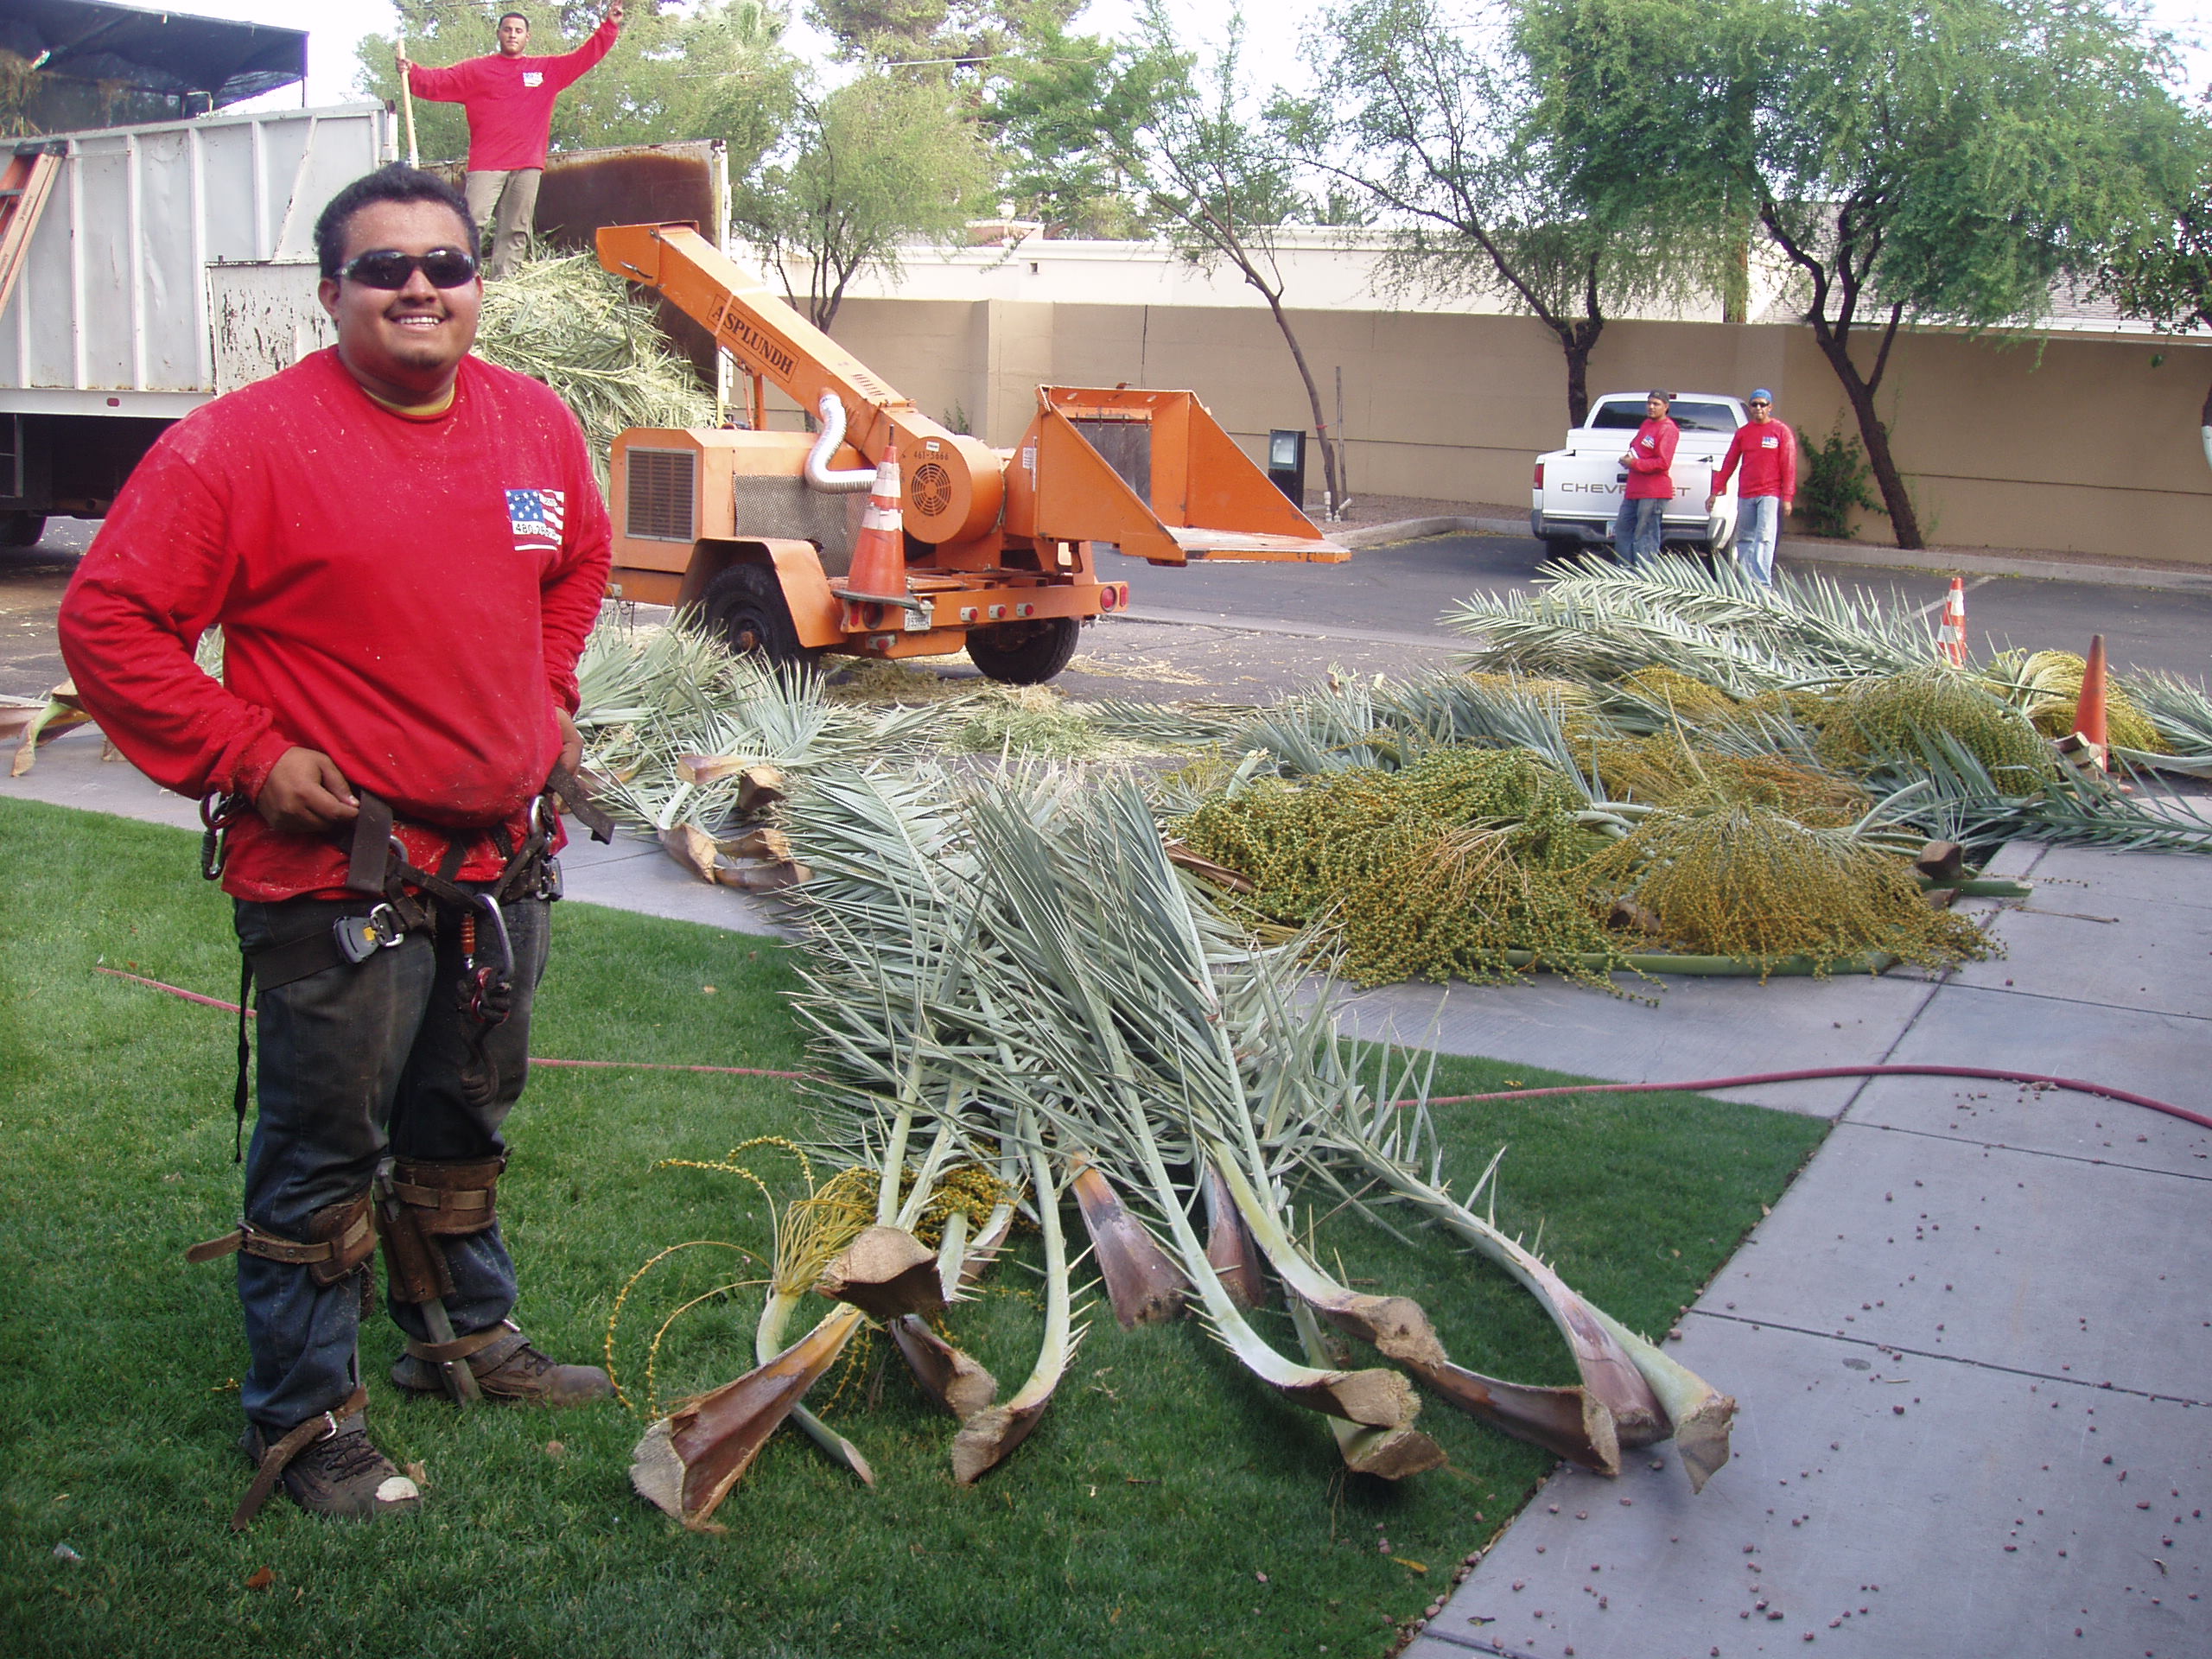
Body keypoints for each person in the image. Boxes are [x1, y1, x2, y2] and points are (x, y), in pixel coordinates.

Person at [57, 164, 615, 1527]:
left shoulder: (534, 425)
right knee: (322, 1155)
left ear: (477, 284)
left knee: (462, 1119)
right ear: (332, 293)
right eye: (385, 268)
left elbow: (578, 567)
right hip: (342, 877)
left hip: (500, 864)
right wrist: (247, 755)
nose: (420, 286)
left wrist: (549, 696)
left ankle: (461, 1341)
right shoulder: (240, 448)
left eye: (446, 263)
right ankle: (304, 1420)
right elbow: (110, 621)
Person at [400, 3, 625, 277]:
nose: (512, 35)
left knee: (516, 228)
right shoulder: (477, 70)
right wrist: (412, 72)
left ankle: (506, 281)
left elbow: (584, 57)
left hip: (527, 164)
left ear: (527, 37)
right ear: (499, 34)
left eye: (518, 31)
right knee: (472, 222)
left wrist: (609, 27)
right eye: (507, 30)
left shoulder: (545, 71)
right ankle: (457, 277)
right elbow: (438, 81)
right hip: (487, 163)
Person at [1707, 387, 1797, 587]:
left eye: (1763, 405)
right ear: (1750, 407)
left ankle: (1762, 585)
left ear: (1770, 407)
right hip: (1746, 493)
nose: (1758, 408)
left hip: (1770, 493)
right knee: (1744, 538)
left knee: (1764, 537)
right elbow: (1730, 462)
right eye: (1754, 404)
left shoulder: (1780, 431)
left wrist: (1787, 497)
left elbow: (1789, 465)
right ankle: (1746, 583)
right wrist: (1715, 491)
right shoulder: (1743, 433)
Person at [1613, 389, 1678, 568]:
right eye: (1649, 403)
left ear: (1666, 407)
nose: (1651, 407)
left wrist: (1634, 463)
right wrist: (1629, 457)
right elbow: (1636, 446)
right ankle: (1624, 573)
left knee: (1646, 536)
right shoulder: (1647, 424)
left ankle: (1645, 576)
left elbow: (1663, 462)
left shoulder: (1668, 429)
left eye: (1656, 404)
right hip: (1634, 490)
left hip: (1653, 492)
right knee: (1623, 530)